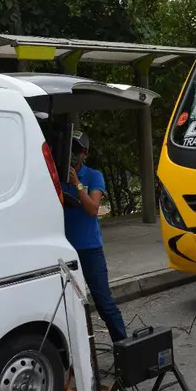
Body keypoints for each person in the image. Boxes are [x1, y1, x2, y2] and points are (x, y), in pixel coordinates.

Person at [62, 131, 127, 342]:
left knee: (103, 302)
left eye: (77, 150)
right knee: (69, 304)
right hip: (65, 250)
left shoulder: (93, 176)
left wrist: (76, 184)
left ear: (85, 154)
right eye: (70, 149)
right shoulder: (55, 175)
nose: (73, 154)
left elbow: (92, 209)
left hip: (90, 249)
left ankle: (123, 348)